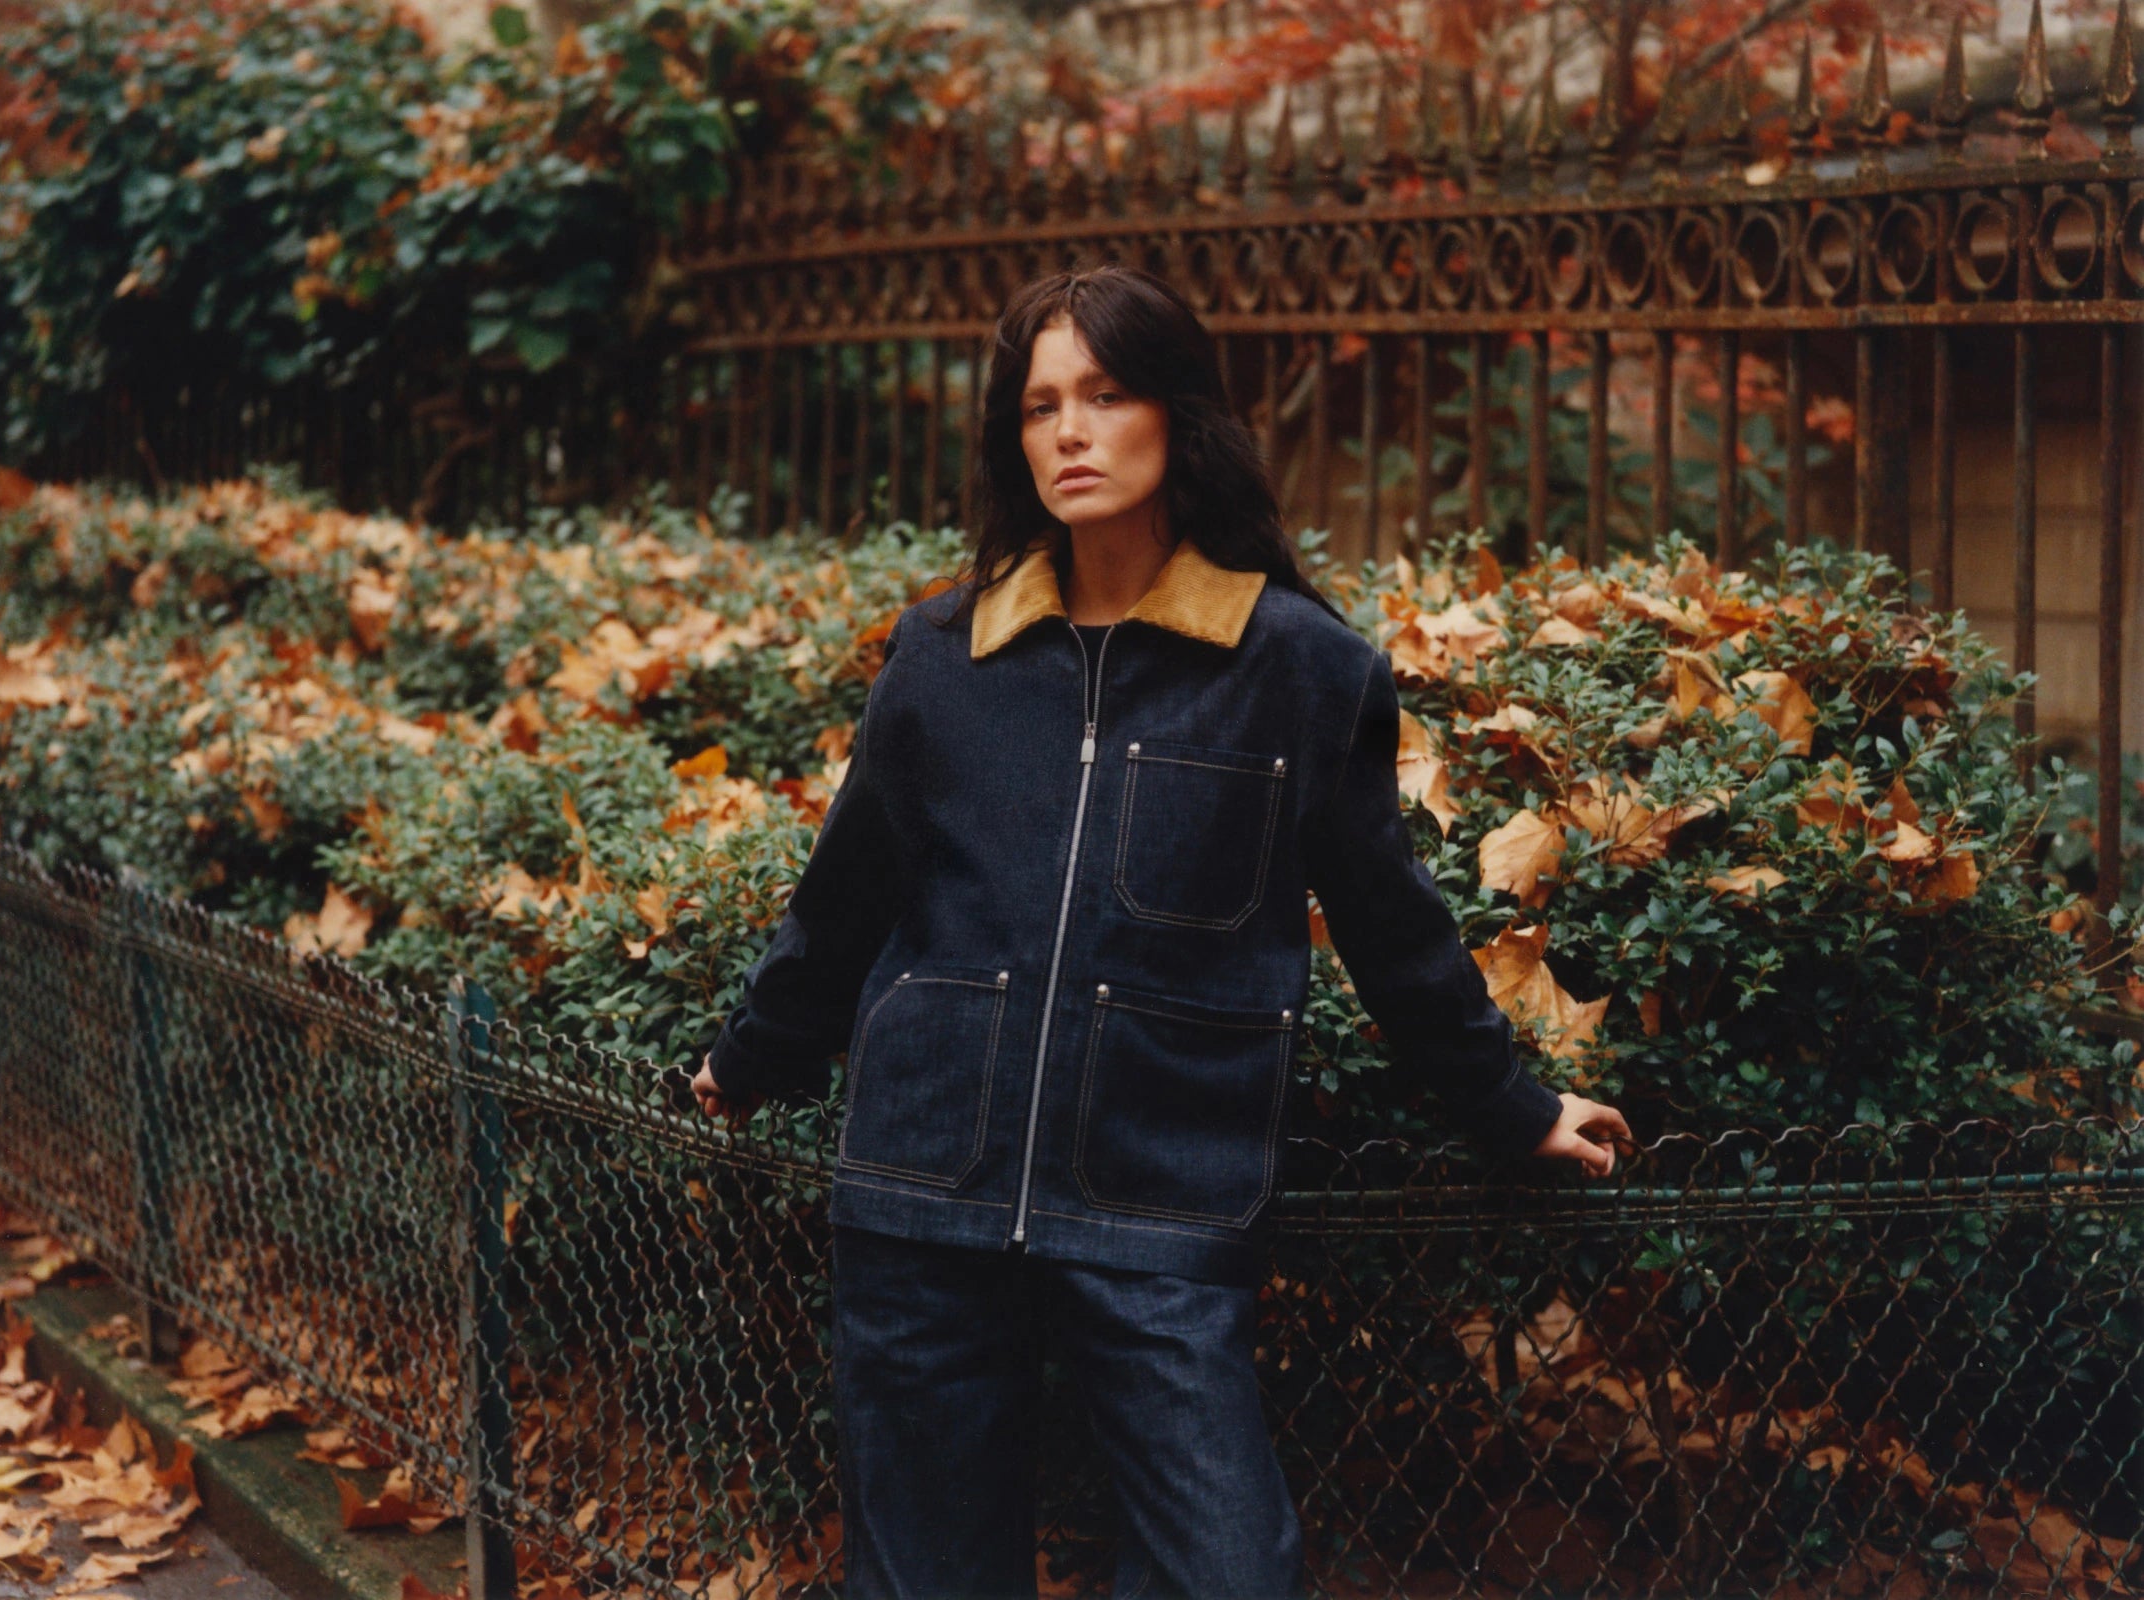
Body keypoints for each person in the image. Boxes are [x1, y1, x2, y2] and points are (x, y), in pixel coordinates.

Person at [689, 263, 1631, 1600]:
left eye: (1107, 395)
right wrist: (754, 1055)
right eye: (1041, 406)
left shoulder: (1300, 669)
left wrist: (1511, 1107)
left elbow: (1391, 921)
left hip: (1161, 1205)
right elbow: (847, 895)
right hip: (923, 1191)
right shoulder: (943, 656)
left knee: (1227, 1572)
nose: (1070, 433)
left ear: (1180, 417)